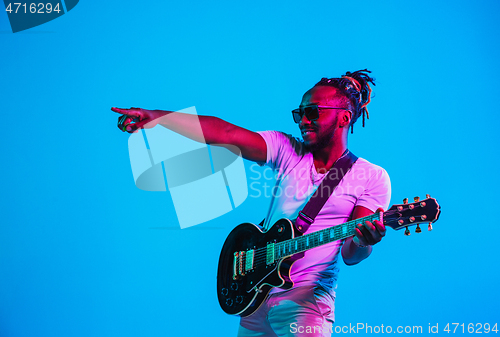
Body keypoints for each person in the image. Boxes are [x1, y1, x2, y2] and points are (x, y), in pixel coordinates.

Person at [112, 69, 391, 337]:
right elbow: (226, 134)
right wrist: (158, 118)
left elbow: (351, 254)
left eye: (312, 112)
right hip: (257, 293)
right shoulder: (286, 148)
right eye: (299, 113)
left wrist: (366, 241)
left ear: (343, 118)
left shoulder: (371, 177)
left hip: (307, 300)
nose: (302, 121)